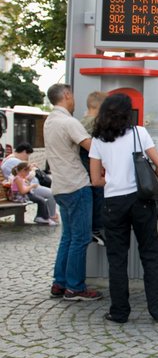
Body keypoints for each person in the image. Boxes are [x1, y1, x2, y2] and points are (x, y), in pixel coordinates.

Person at [89, 93, 158, 324]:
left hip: (114, 203)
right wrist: (149, 181)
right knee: (150, 256)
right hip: (141, 200)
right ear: (127, 112)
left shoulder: (98, 140)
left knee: (117, 259)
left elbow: (95, 180)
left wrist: (113, 181)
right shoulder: (139, 133)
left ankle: (119, 312)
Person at [43, 84, 102, 301]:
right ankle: (75, 288)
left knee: (67, 237)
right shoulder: (69, 122)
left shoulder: (50, 121)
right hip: (76, 185)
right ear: (67, 95)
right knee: (81, 238)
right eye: (73, 96)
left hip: (59, 186)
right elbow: (92, 147)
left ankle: (59, 283)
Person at [1, 142, 59, 223]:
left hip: (25, 188)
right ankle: (51, 216)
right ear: (24, 151)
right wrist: (33, 170)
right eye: (27, 155)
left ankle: (46, 216)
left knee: (46, 195)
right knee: (51, 193)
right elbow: (26, 176)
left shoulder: (11, 160)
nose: (27, 158)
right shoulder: (13, 161)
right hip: (25, 189)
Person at [80, 91, 108, 246]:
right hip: (91, 166)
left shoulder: (81, 121)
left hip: (83, 166)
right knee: (99, 192)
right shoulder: (95, 123)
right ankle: (96, 229)